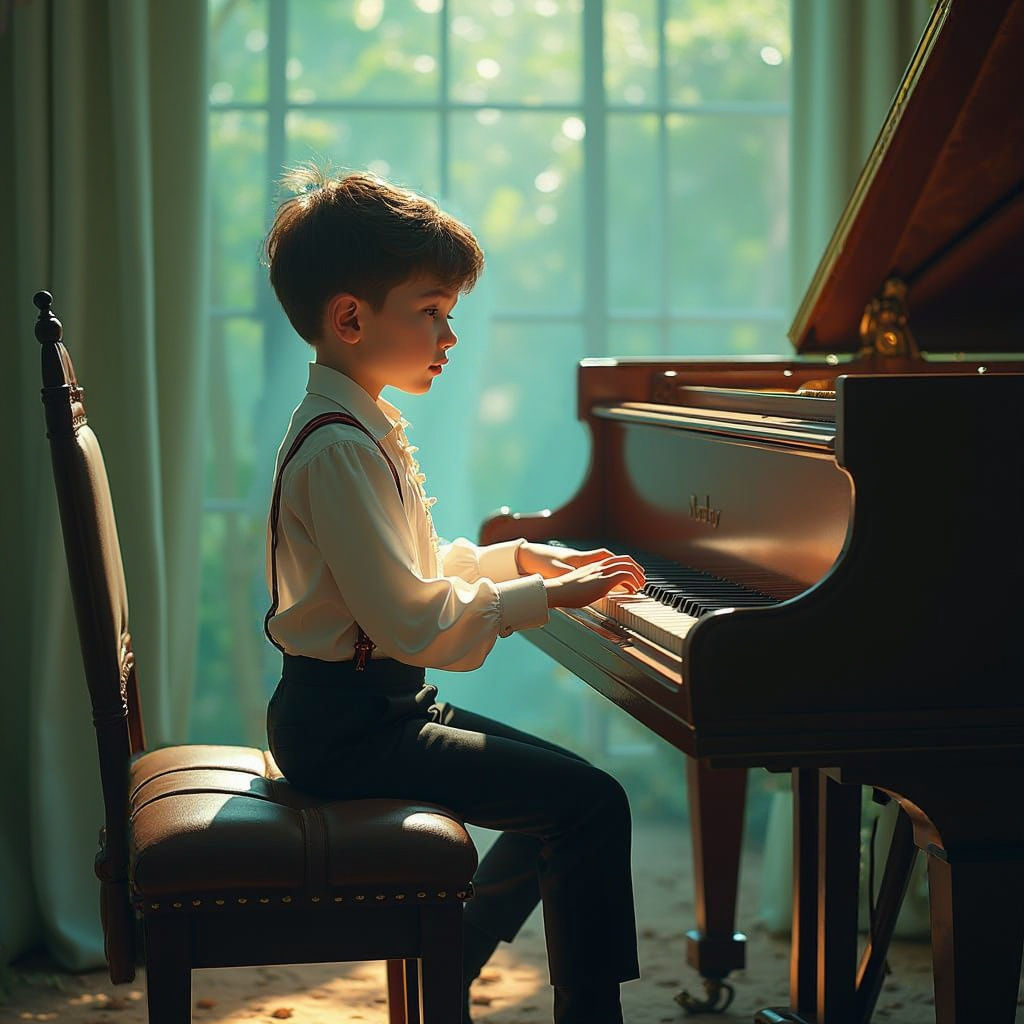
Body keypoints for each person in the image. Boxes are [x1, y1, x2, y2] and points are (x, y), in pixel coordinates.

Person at [261, 166, 647, 1024]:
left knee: (573, 788)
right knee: (590, 806)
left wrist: (521, 564)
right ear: (351, 318)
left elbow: (418, 566)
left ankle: (453, 965)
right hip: (345, 732)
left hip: (371, 711)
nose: (450, 335)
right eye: (432, 310)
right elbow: (411, 618)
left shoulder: (359, 424)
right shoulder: (340, 449)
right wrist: (551, 599)